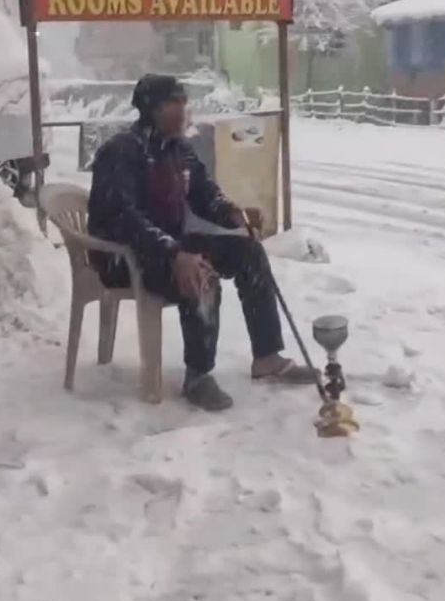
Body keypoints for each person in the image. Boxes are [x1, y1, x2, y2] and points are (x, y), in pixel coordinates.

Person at [88, 74, 314, 411]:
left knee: (248, 251)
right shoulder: (120, 152)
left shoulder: (179, 149)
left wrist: (232, 213)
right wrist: (173, 253)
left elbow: (206, 193)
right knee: (200, 271)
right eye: (172, 102)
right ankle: (198, 375)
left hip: (171, 245)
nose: (182, 109)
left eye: (183, 101)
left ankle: (267, 356)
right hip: (126, 257)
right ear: (150, 109)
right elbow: (124, 219)